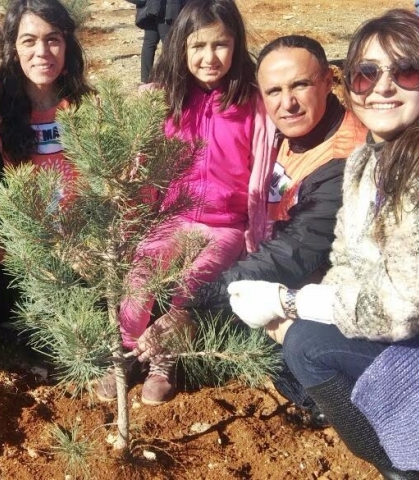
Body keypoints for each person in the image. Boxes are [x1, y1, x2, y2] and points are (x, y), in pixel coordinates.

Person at [228, 9, 419, 478]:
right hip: (412, 327)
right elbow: (347, 262)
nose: (383, 87)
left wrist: (290, 302)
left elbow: (414, 300)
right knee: (303, 342)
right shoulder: (368, 164)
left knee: (306, 344)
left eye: (406, 70)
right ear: (351, 82)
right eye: (368, 73)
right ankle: (401, 465)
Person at [144, 35, 365, 418]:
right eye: (274, 91)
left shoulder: (345, 158)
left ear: (329, 81)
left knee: (278, 351)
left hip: (321, 292)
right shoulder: (280, 130)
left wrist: (196, 303)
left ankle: (338, 404)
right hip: (261, 262)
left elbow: (294, 251)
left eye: (300, 85)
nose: (287, 102)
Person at [99, 0, 274, 406]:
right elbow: (137, 167)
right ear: (180, 47)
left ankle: (164, 360)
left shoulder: (250, 103)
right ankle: (124, 353)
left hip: (224, 225)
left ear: (236, 45)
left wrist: (256, 230)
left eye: (220, 45)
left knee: (187, 286)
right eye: (197, 46)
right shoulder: (164, 99)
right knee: (139, 283)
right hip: (169, 220)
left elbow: (263, 168)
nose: (209, 57)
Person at [0, 0, 93, 245]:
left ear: (67, 46)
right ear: (13, 49)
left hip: (86, 246)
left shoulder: (90, 108)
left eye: (52, 39)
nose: (42, 52)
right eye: (29, 40)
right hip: (21, 253)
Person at [128, 0, 185, 83]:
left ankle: (146, 79)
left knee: (150, 43)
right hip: (166, 10)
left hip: (151, 8)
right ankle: (172, 78)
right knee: (168, 44)